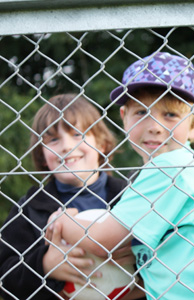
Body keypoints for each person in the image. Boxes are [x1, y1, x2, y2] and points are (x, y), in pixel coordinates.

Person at [50, 52, 194, 299]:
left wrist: (64, 220)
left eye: (170, 114)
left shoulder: (172, 168)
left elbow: (103, 239)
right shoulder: (172, 167)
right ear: (124, 118)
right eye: (141, 113)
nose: (155, 126)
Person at [0, 94, 140, 299]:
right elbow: (5, 274)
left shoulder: (130, 196)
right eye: (53, 139)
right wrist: (45, 265)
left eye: (77, 134)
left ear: (101, 144)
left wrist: (138, 257)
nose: (66, 146)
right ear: (42, 155)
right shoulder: (29, 208)